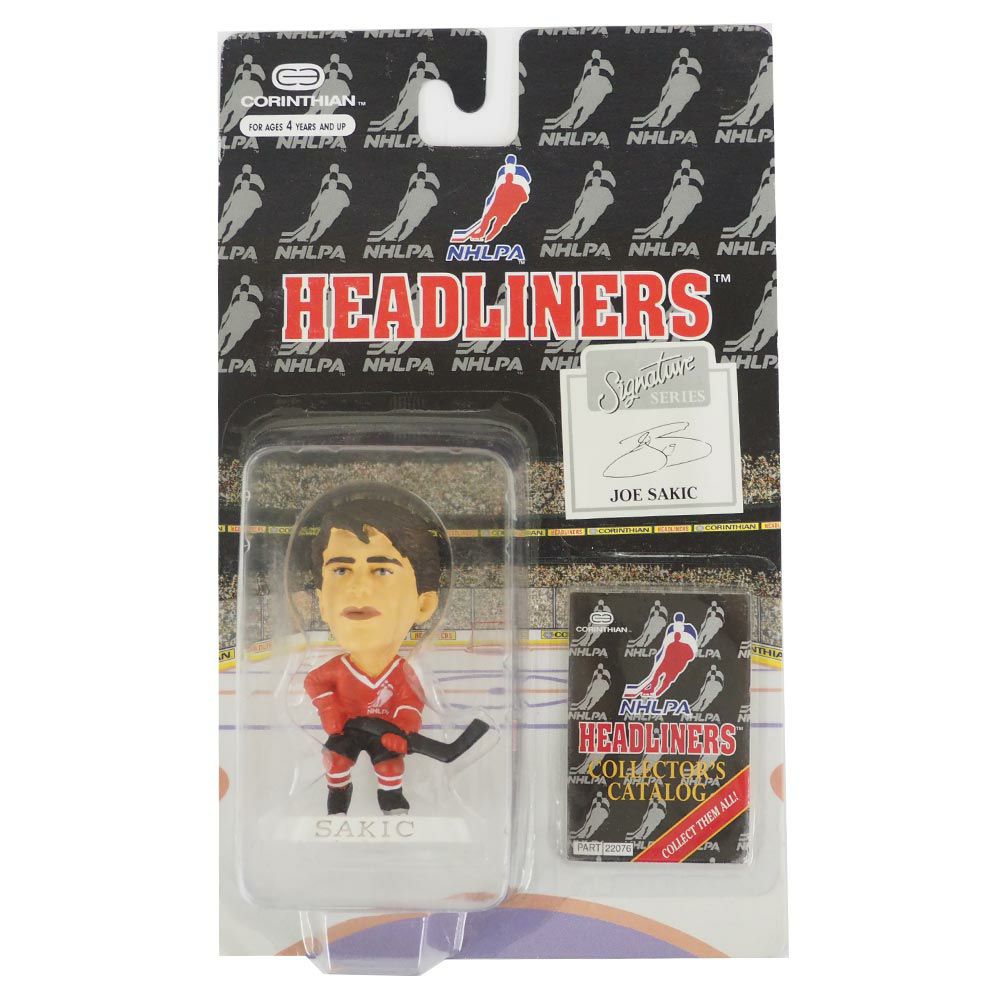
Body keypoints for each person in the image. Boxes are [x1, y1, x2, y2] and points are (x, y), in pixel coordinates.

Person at [302, 493, 443, 815]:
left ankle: (391, 798)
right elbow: (314, 682)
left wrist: (404, 728)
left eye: (381, 570)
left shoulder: (402, 671)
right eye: (341, 570)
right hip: (348, 729)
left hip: (384, 731)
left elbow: (411, 701)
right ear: (322, 602)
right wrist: (329, 707)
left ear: (424, 605)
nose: (358, 589)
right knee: (335, 760)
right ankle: (338, 793)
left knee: (391, 766)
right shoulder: (338, 668)